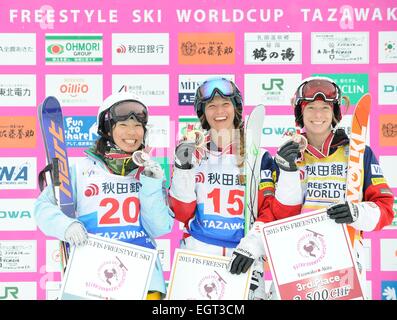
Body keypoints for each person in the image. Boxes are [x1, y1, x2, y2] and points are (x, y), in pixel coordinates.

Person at [228, 76, 395, 299]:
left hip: (342, 259)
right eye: (311, 108)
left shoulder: (357, 153)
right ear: (300, 113)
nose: (318, 115)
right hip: (296, 256)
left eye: (325, 108)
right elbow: (277, 214)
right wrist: (251, 245)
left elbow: (384, 209)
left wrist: (357, 212)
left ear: (334, 112)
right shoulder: (288, 154)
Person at [34, 93, 174, 300]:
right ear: (107, 128)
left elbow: (159, 228)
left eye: (137, 126)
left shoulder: (148, 172)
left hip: (141, 272)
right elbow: (42, 208)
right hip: (91, 272)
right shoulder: (78, 169)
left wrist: (151, 185)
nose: (132, 133)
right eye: (123, 125)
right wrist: (65, 226)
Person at [168, 77, 278, 300]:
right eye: (211, 106)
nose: (219, 111)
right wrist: (183, 169)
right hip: (199, 254)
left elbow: (270, 211)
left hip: (243, 258)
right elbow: (182, 213)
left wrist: (253, 246)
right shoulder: (192, 153)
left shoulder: (261, 157)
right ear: (203, 113)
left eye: (225, 104)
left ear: (236, 108)